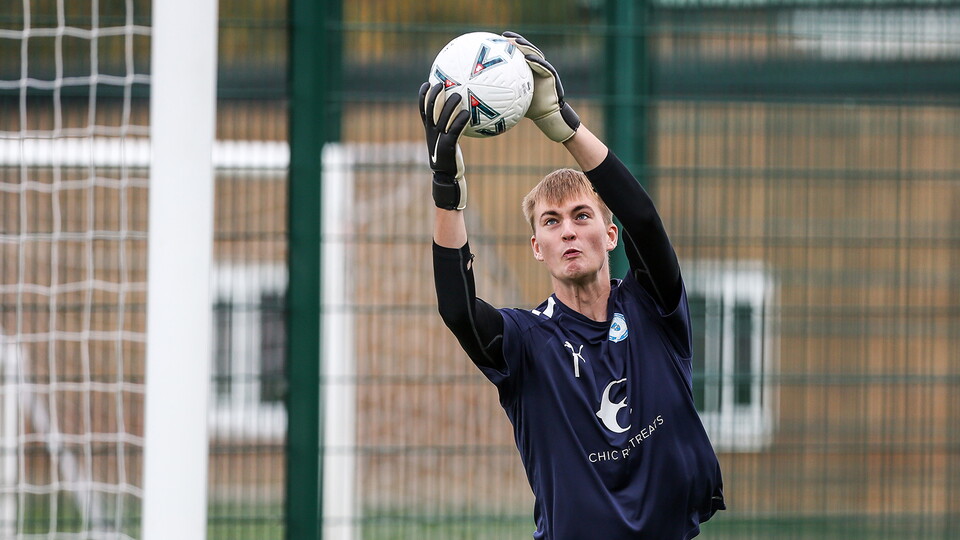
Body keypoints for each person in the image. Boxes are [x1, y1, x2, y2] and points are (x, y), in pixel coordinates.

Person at [419, 31, 725, 539]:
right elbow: (458, 311)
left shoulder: (655, 307)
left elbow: (645, 222)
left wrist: (564, 126)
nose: (567, 230)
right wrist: (446, 190)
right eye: (551, 222)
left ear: (609, 235)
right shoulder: (527, 342)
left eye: (581, 216)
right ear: (538, 247)